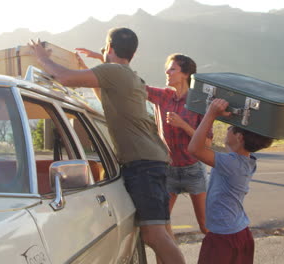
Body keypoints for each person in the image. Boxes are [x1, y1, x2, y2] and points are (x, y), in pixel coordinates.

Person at [29, 28, 186, 263]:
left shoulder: (113, 71)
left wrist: (42, 57)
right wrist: (86, 68)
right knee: (161, 232)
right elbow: (103, 95)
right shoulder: (124, 75)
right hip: (152, 161)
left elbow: (64, 78)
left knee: (154, 236)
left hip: (143, 164)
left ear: (109, 48)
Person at [188, 98, 273, 264]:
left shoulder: (231, 163)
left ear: (239, 137)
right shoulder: (245, 160)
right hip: (240, 232)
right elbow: (230, 148)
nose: (227, 128)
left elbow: (194, 149)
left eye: (231, 128)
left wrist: (211, 114)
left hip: (223, 237)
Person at [146, 54, 212, 236]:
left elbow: (207, 143)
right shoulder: (162, 96)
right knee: (161, 227)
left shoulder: (199, 102)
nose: (167, 71)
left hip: (194, 170)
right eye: (168, 68)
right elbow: (133, 86)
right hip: (169, 170)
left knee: (205, 226)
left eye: (172, 68)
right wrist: (106, 61)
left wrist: (183, 125)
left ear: (185, 74)